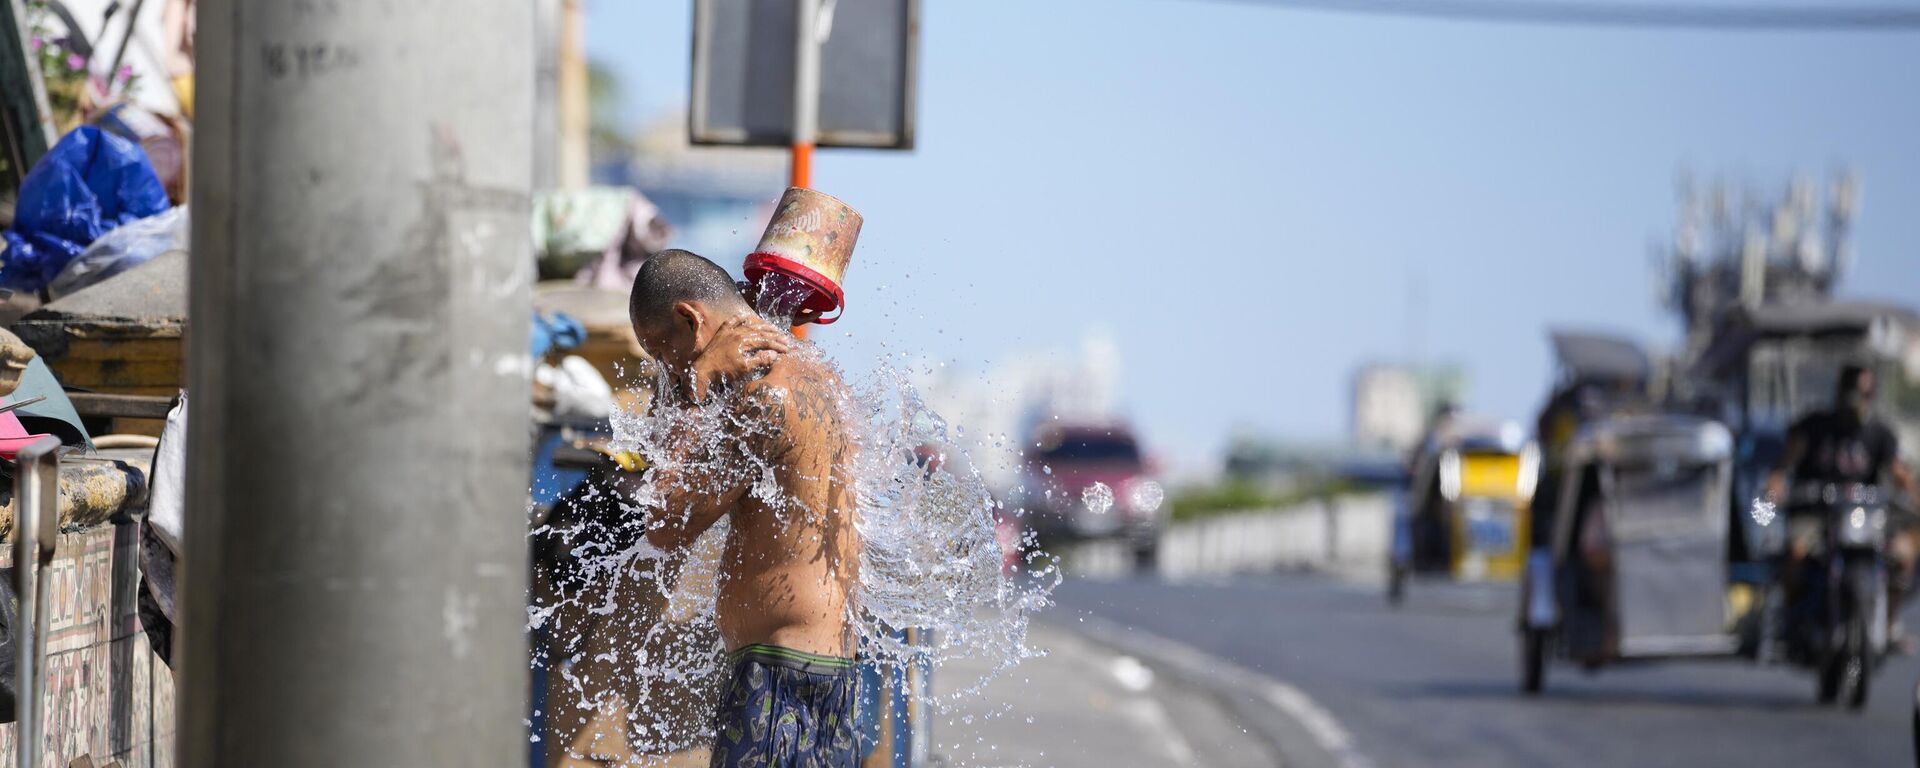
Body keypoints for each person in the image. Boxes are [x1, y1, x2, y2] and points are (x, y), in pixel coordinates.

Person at [627, 249, 861, 767]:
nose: (668, 371)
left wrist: (694, 386)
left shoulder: (766, 397)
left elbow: (665, 523)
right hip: (811, 670)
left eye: (664, 353)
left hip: (783, 679)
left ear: (691, 319)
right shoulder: (807, 375)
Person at [1766, 364, 1920, 648]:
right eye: (1854, 391)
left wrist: (1914, 496)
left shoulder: (1879, 432)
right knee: (1795, 554)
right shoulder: (1815, 426)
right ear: (1840, 392)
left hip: (1864, 517)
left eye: (1865, 393)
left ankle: (1888, 626)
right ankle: (1790, 622)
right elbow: (1784, 464)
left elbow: (1901, 474)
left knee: (1903, 555)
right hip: (1817, 515)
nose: (1859, 399)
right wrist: (1776, 485)